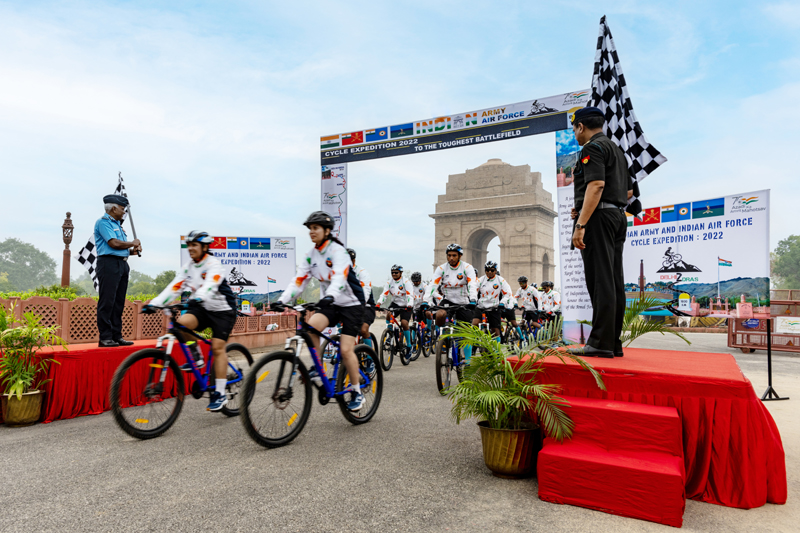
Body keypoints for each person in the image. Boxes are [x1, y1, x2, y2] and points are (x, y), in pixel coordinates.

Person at [276, 211, 366, 411]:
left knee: (345, 349)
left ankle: (357, 391)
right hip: (332, 302)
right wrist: (282, 300)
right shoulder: (311, 256)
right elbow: (298, 281)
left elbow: (339, 279)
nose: (311, 232)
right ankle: (319, 370)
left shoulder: (338, 252)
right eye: (310, 229)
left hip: (351, 302)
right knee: (310, 328)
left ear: (327, 230)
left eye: (315, 228)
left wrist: (330, 296)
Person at [145, 231, 237, 411]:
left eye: (194, 245)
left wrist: (198, 296)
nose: (190, 249)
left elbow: (211, 284)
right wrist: (155, 304)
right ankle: (197, 357)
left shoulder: (213, 264)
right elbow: (174, 287)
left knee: (217, 347)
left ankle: (220, 393)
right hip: (202, 307)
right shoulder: (188, 267)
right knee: (180, 326)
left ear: (204, 247)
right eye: (189, 245)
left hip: (223, 310)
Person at [568, 106, 632, 358]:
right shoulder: (617, 151)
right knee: (614, 280)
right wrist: (583, 209)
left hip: (599, 219)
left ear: (581, 126)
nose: (575, 134)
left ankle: (599, 343)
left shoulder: (592, 148)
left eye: (575, 129)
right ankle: (612, 342)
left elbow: (596, 185)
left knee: (600, 280)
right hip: (616, 216)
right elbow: (627, 193)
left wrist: (581, 224)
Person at [94, 194, 142, 348]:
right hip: (108, 264)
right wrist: (131, 243)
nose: (124, 212)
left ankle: (116, 336)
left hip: (121, 264)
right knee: (107, 301)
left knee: (118, 303)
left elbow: (123, 250)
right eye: (122, 209)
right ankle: (105, 337)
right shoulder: (103, 223)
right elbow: (114, 243)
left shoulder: (118, 225)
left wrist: (134, 249)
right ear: (113, 208)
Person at [425, 244, 478, 362]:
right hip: (447, 300)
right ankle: (443, 338)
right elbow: (433, 285)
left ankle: (468, 361)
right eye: (449, 255)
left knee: (465, 333)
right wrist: (426, 300)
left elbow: (472, 284)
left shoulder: (467, 267)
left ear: (459, 256)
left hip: (464, 301)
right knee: (439, 314)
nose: (451, 258)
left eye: (454, 255)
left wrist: (473, 299)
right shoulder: (441, 268)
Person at [376, 265, 414, 361]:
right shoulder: (389, 282)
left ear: (401, 273)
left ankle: (409, 346)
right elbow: (384, 294)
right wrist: (379, 303)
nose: (394, 274)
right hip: (396, 303)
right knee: (388, 314)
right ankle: (390, 334)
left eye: (396, 272)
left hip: (406, 304)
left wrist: (409, 304)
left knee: (404, 323)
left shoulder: (406, 282)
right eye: (392, 272)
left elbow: (410, 295)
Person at [473, 261, 513, 340]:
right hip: (481, 307)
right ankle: (475, 344)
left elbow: (507, 293)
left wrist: (502, 303)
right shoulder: (480, 280)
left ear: (495, 270)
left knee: (495, 330)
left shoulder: (501, 280)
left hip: (494, 307)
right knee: (474, 324)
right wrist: (473, 300)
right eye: (487, 270)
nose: (489, 272)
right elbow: (473, 290)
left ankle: (497, 351)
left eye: (492, 270)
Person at [347, 248, 376, 351]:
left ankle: (370, 359)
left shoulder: (362, 272)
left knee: (363, 330)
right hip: (348, 306)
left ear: (353, 260)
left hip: (366, 306)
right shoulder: (339, 272)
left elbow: (365, 292)